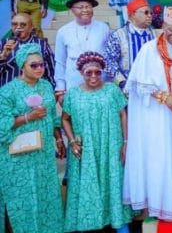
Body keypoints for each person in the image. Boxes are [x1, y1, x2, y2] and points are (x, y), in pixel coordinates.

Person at [123, 6, 172, 222]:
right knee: (155, 155)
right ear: (163, 27)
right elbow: (139, 84)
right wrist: (164, 98)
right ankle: (151, 204)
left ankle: (168, 202)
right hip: (154, 115)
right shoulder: (149, 49)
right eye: (171, 29)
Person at [62, 52, 131, 232]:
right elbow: (64, 119)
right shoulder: (73, 94)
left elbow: (123, 114)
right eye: (89, 73)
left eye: (97, 72)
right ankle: (89, 223)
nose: (94, 76)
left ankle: (119, 221)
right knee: (88, 181)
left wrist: (125, 142)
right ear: (81, 73)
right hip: (87, 148)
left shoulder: (112, 90)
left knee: (113, 180)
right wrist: (71, 142)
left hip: (111, 144)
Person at [0, 43, 65, 233]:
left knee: (46, 195)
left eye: (42, 64)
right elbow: (2, 122)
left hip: (42, 153)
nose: (39, 69)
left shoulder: (45, 86)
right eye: (33, 65)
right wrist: (28, 117)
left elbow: (53, 116)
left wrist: (59, 139)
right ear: (22, 66)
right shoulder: (8, 91)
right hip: (18, 155)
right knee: (22, 197)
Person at [55, 0, 110, 102]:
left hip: (99, 82)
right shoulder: (63, 31)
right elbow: (60, 61)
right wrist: (60, 88)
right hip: (74, 83)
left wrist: (109, 83)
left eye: (88, 6)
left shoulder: (104, 28)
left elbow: (109, 58)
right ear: (72, 10)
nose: (85, 10)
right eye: (80, 7)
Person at [104, 0, 156, 89]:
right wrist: (122, 82)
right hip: (126, 90)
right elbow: (109, 61)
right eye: (146, 12)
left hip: (152, 90)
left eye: (151, 13)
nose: (150, 16)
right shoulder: (118, 35)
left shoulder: (155, 35)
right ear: (132, 14)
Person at [0, 13, 55, 87]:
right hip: (8, 93)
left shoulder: (42, 45)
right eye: (14, 24)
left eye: (23, 24)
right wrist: (3, 57)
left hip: (35, 92)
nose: (18, 27)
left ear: (31, 27)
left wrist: (52, 89)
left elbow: (51, 71)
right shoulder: (3, 44)